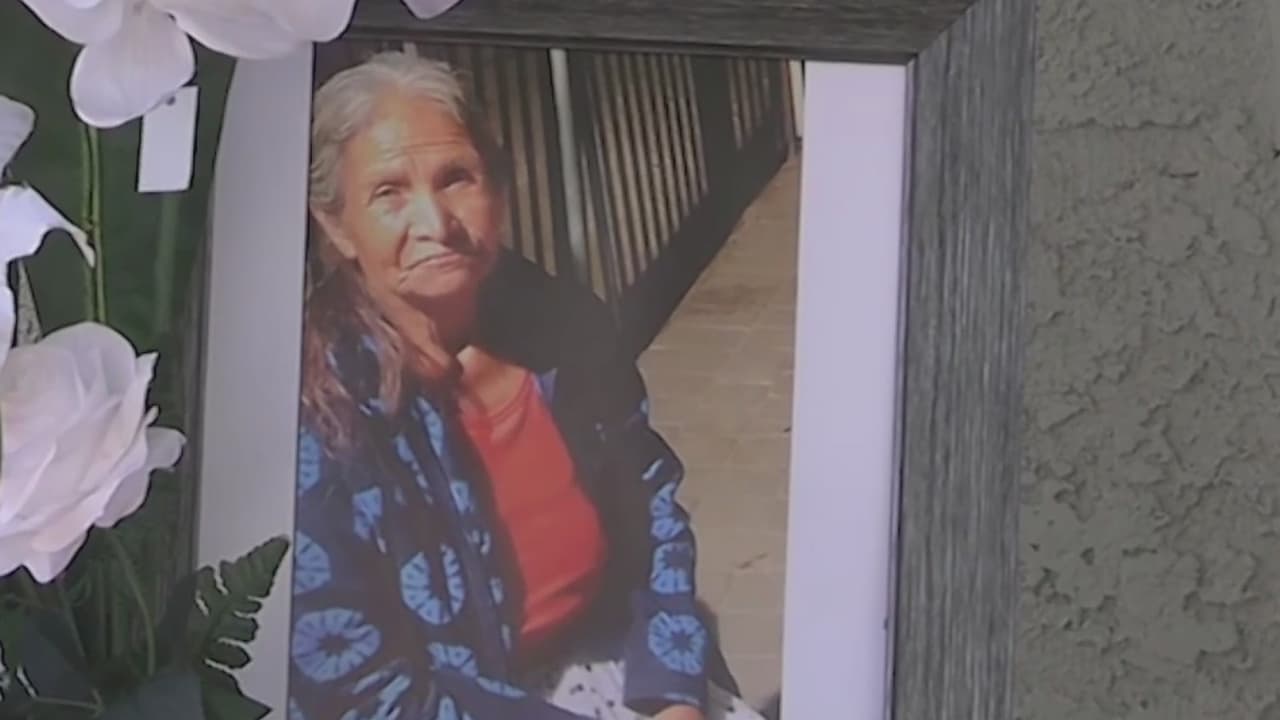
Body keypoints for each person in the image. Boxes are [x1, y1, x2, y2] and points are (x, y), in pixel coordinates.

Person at [289, 50, 765, 720]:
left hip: (612, 667)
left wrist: (673, 695)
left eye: (457, 179)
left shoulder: (561, 327)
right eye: (388, 192)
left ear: (500, 192)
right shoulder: (319, 409)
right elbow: (355, 688)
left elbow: (651, 510)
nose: (436, 224)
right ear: (336, 225)